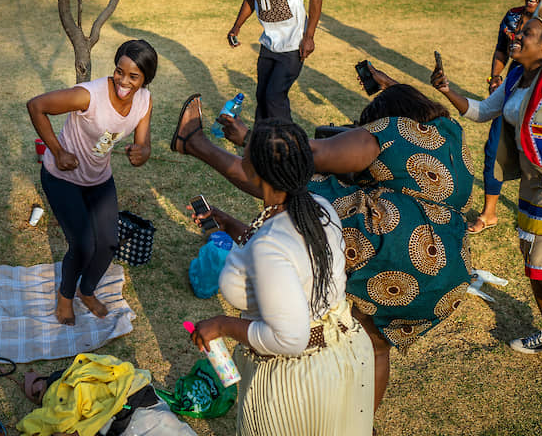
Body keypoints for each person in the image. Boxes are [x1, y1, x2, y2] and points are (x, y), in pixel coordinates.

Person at [170, 75, 473, 411]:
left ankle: (194, 143)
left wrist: (250, 138)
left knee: (297, 186)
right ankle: (359, 426)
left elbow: (306, 155)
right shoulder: (450, 134)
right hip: (448, 274)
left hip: (398, 249)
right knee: (376, 349)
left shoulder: (391, 130)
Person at [189, 119, 373, 436]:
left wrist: (221, 325)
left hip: (298, 379)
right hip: (346, 351)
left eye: (244, 153)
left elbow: (290, 338)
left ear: (256, 172)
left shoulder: (271, 244)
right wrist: (228, 223)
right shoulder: (318, 206)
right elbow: (286, 255)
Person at [431, 1, 542, 354]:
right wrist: (446, 90)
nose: (516, 35)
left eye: (527, 33)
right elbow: (483, 111)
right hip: (532, 186)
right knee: (533, 267)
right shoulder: (517, 76)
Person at [27, 40, 156, 325]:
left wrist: (143, 152)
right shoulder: (89, 96)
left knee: (108, 242)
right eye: (119, 71)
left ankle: (86, 291)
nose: (123, 81)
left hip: (98, 178)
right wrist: (58, 151)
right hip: (63, 177)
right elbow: (36, 106)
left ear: (146, 79)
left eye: (133, 76)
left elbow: (143, 143)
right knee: (83, 244)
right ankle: (65, 297)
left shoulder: (144, 100)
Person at [470, 0, 542, 234]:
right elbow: (499, 49)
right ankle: (489, 212)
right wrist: (495, 77)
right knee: (494, 150)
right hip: (511, 91)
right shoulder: (513, 18)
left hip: (538, 100)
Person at [227, 0, 322, 124]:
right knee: (262, 97)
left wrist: (309, 36)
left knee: (274, 98)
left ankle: (288, 147)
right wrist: (236, 27)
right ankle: (261, 147)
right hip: (268, 45)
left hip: (293, 47)